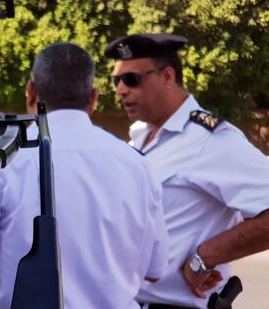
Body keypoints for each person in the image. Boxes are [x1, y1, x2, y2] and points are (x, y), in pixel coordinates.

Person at [0, 42, 169, 309]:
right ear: (93, 98)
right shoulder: (139, 167)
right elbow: (155, 269)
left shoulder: (4, 161)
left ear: (31, 91)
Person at [105, 33, 269, 309]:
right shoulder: (138, 139)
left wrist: (205, 256)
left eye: (132, 80)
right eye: (116, 81)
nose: (121, 90)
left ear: (168, 77)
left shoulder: (210, 140)